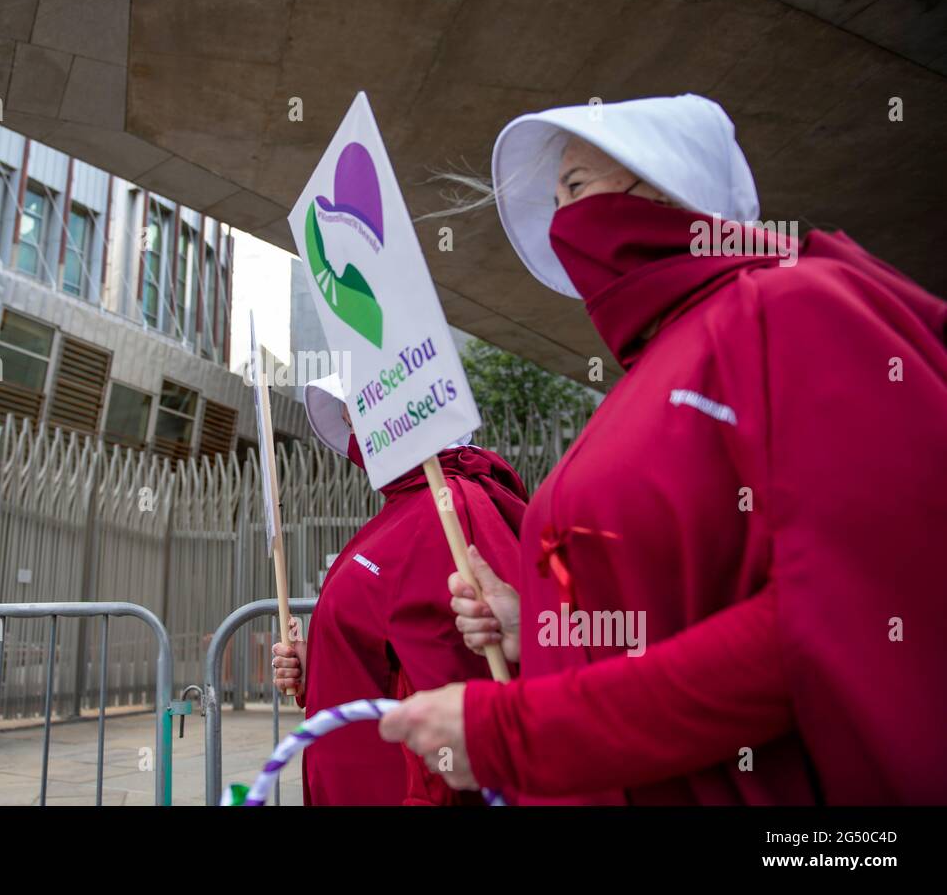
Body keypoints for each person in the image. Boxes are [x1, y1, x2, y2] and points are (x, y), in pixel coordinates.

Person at [379, 94, 947, 804]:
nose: (563, 224)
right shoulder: (643, 384)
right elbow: (680, 603)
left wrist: (519, 732)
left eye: (578, 188)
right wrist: (541, 625)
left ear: (666, 186)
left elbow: (835, 619)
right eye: (555, 201)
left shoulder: (792, 306)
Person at [272, 372, 527, 805]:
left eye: (358, 413)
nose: (352, 431)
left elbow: (468, 673)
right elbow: (388, 644)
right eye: (348, 420)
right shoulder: (405, 509)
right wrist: (316, 663)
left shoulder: (453, 505)